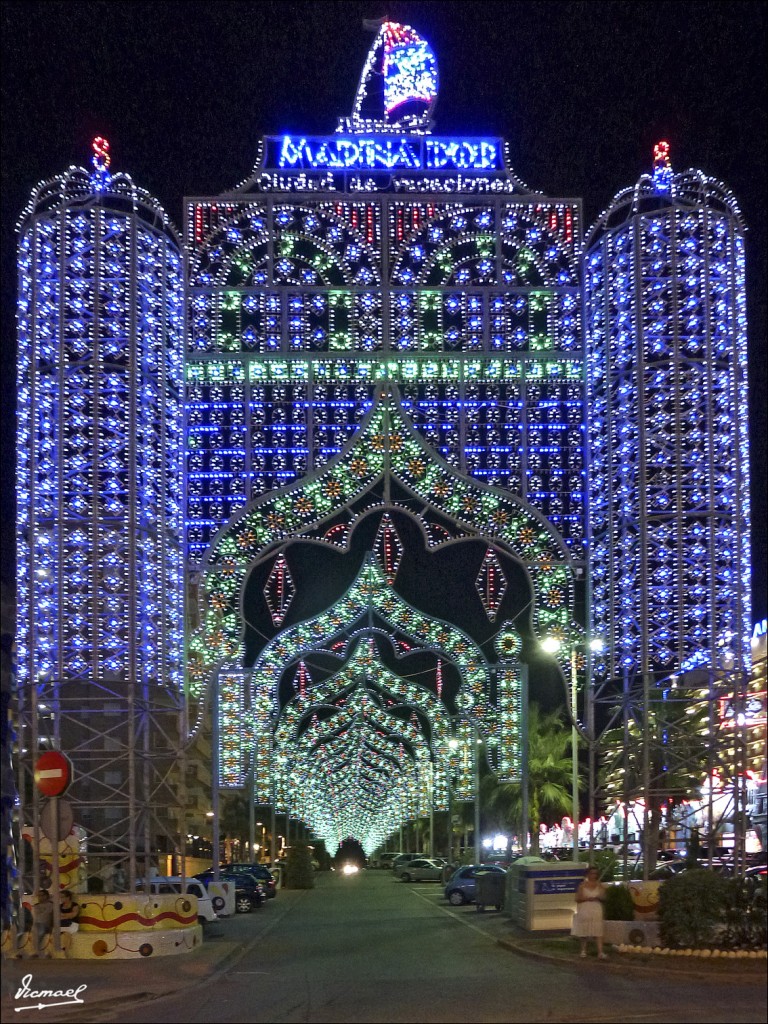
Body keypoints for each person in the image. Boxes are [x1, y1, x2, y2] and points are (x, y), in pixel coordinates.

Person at [571, 866, 607, 959]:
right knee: (584, 930)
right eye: (592, 873)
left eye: (595, 873)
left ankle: (600, 951)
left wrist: (598, 897)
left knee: (598, 929)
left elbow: (604, 897)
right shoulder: (582, 885)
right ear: (587, 874)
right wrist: (587, 898)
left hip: (596, 908)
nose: (593, 875)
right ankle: (583, 950)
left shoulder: (600, 885)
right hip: (585, 908)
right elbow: (577, 898)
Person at [31, 889, 53, 955]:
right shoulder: (36, 905)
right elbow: (37, 915)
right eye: (39, 895)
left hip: (47, 924)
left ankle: (37, 951)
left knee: (40, 930)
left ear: (46, 896)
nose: (39, 897)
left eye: (41, 895)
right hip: (38, 923)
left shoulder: (51, 905)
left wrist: (42, 913)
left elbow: (46, 914)